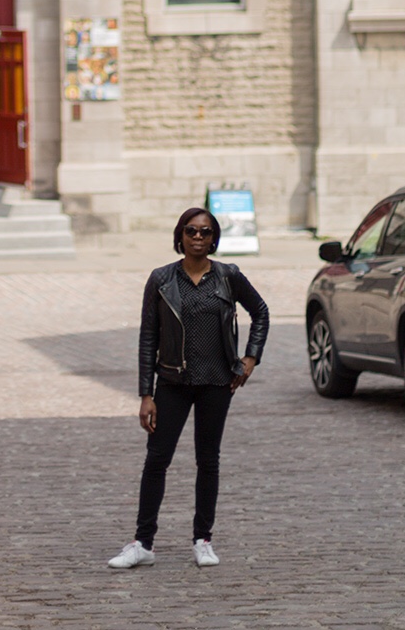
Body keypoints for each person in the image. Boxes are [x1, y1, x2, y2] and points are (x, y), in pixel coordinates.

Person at [108, 207, 269, 571]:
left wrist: (250, 360)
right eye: (191, 231)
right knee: (157, 460)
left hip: (216, 381)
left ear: (215, 238)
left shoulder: (228, 276)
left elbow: (260, 312)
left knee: (207, 460)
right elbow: (148, 335)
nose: (198, 237)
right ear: (179, 235)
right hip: (172, 382)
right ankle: (142, 543)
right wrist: (145, 394)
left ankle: (203, 539)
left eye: (206, 232)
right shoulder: (162, 279)